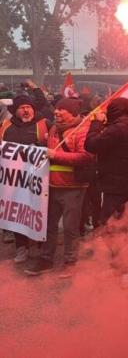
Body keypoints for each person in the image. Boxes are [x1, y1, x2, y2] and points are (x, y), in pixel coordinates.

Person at [25, 98, 93, 276]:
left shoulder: (83, 130)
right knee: (49, 226)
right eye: (56, 112)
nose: (56, 115)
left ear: (73, 114)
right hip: (52, 186)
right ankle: (46, 259)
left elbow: (85, 157)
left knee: (70, 228)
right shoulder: (54, 128)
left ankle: (70, 261)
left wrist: (56, 154)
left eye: (61, 112)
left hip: (73, 187)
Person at [84, 97, 128, 287]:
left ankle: (126, 268)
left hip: (115, 186)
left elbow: (91, 145)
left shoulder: (117, 129)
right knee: (118, 227)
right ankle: (119, 265)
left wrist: (95, 123)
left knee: (111, 228)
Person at [0, 90, 50, 263]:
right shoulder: (6, 126)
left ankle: (39, 244)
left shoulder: (44, 124)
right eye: (22, 108)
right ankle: (21, 246)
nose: (26, 111)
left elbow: (53, 146)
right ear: (15, 111)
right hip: (14, 181)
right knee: (18, 213)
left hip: (38, 180)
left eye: (28, 107)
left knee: (38, 212)